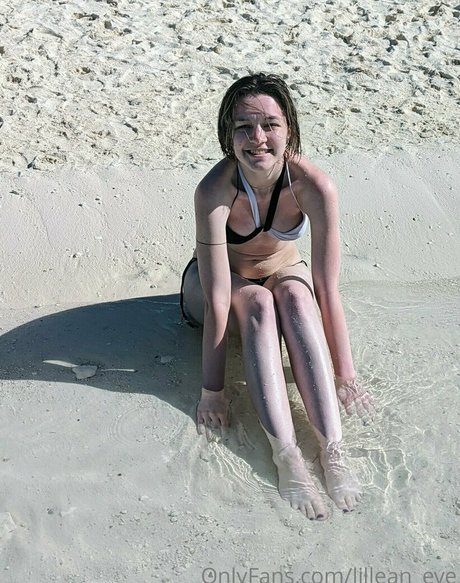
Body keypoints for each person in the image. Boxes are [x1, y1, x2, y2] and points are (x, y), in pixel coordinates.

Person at [180, 73, 374, 520]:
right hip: (217, 285)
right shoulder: (214, 191)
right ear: (228, 136)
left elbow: (326, 289)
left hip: (282, 272)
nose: (258, 138)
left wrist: (346, 375)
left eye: (270, 124)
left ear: (290, 130)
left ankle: (333, 451)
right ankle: (287, 456)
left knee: (296, 298)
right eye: (244, 127)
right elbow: (217, 298)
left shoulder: (314, 186)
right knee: (258, 304)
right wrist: (213, 391)